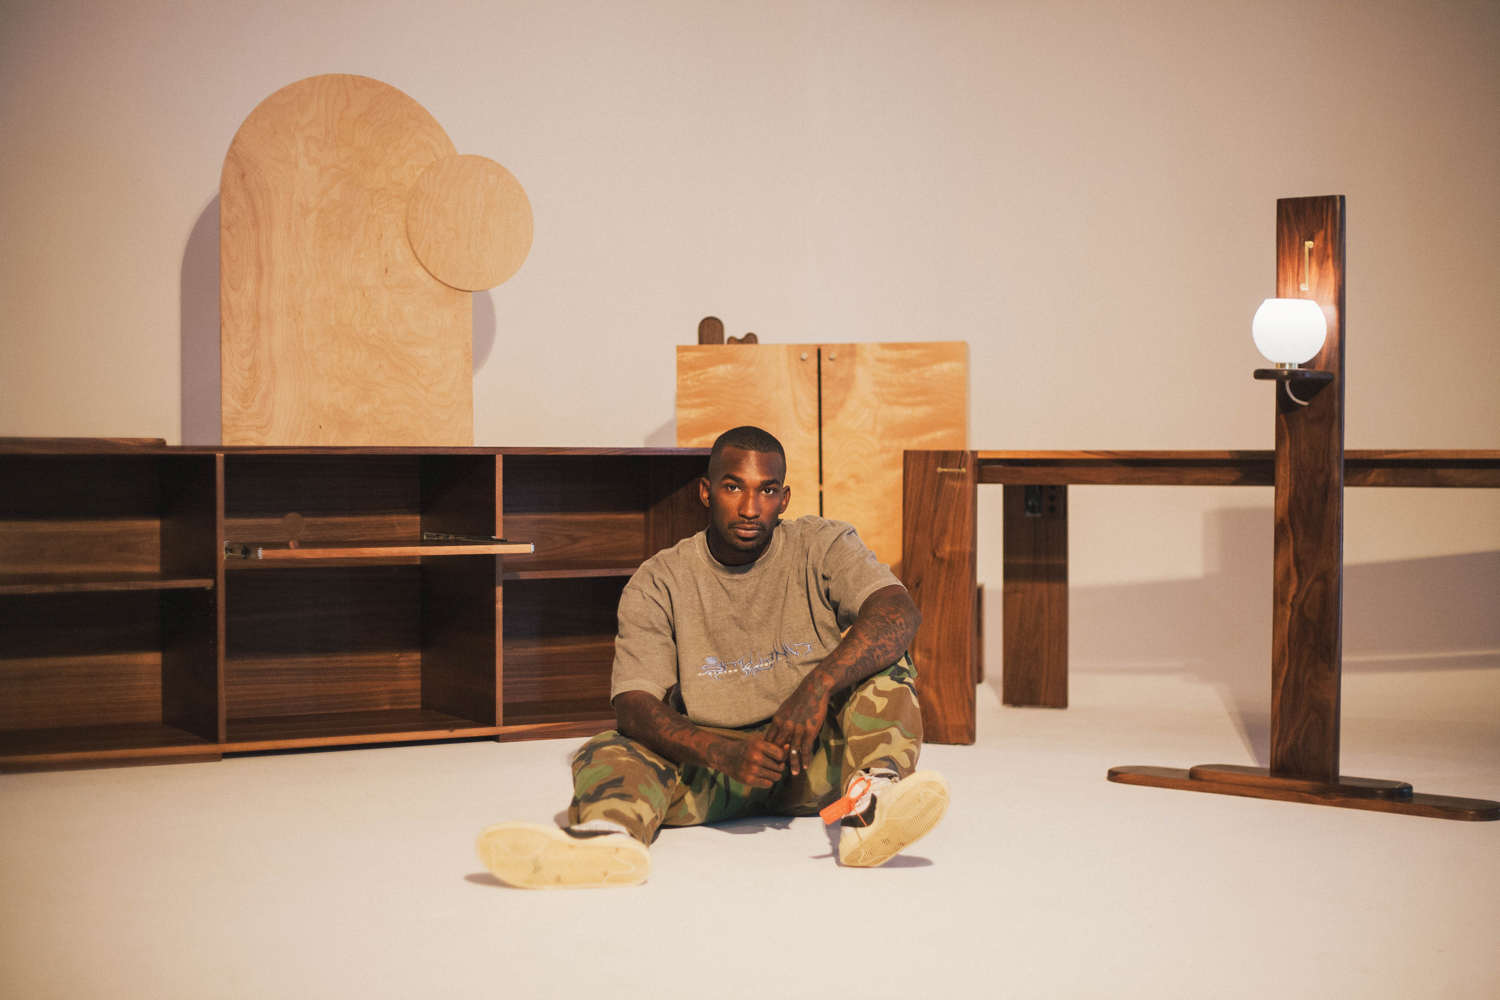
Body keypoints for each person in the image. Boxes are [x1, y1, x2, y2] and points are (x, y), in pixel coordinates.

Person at [475, 425, 950, 888]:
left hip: (815, 761)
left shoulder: (821, 543)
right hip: (713, 771)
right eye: (732, 487)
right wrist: (721, 752)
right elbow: (634, 704)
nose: (749, 508)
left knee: (885, 659)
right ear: (706, 492)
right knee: (609, 748)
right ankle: (609, 838)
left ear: (784, 499)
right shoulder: (658, 580)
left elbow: (897, 610)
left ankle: (870, 808)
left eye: (766, 491)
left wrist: (817, 687)